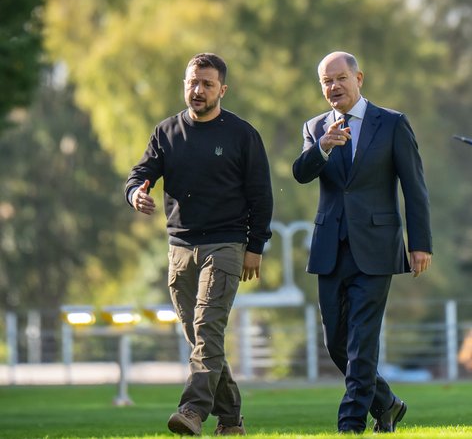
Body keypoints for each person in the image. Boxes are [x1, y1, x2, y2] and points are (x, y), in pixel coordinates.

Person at [125, 52, 273, 436]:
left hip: (225, 244)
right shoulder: (166, 133)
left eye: (207, 84)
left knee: (207, 329)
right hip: (179, 248)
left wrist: (255, 246)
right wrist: (135, 194)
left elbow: (261, 196)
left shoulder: (242, 134)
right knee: (201, 337)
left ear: (222, 89)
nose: (198, 90)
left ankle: (191, 410)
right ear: (184, 84)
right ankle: (231, 419)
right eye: (193, 82)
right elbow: (141, 174)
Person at [293, 51, 432, 433]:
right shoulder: (316, 127)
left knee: (362, 339)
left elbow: (414, 188)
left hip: (377, 246)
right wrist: (322, 147)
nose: (333, 86)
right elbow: (300, 173)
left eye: (340, 78)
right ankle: (386, 403)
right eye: (326, 81)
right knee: (336, 341)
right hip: (329, 248)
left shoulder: (391, 124)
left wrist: (420, 243)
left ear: (359, 78)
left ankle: (351, 421)